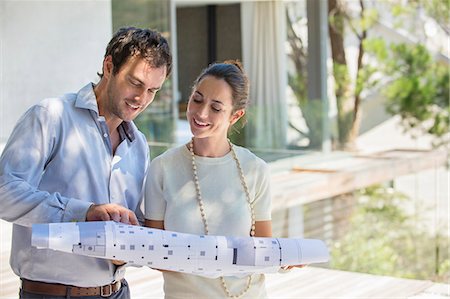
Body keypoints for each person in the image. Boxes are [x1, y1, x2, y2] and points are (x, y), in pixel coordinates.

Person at [0, 27, 172, 299]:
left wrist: (126, 249)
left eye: (152, 90)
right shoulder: (50, 117)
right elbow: (4, 192)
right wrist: (84, 212)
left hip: (118, 292)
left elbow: (134, 223)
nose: (142, 99)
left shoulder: (138, 146)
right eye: (135, 83)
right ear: (109, 66)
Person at [144, 60, 274, 298]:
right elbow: (154, 255)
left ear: (235, 116)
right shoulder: (162, 168)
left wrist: (286, 259)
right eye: (197, 99)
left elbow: (264, 251)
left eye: (216, 108)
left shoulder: (256, 170)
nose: (201, 113)